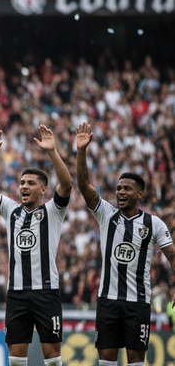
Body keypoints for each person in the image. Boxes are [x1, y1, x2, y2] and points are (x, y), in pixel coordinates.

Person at [75, 122, 175, 366]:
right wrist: (81, 151)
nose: (120, 192)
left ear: (140, 194)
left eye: (127, 189)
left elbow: (173, 255)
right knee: (107, 362)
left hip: (138, 303)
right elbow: (84, 187)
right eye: (118, 188)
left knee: (135, 363)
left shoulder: (154, 224)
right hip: (108, 301)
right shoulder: (106, 215)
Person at [0, 125, 72, 366]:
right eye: (22, 183)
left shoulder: (53, 211)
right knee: (16, 361)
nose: (24, 187)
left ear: (43, 189)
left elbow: (67, 185)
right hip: (16, 293)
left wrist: (52, 152)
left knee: (52, 360)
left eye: (30, 183)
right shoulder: (11, 209)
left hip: (46, 292)